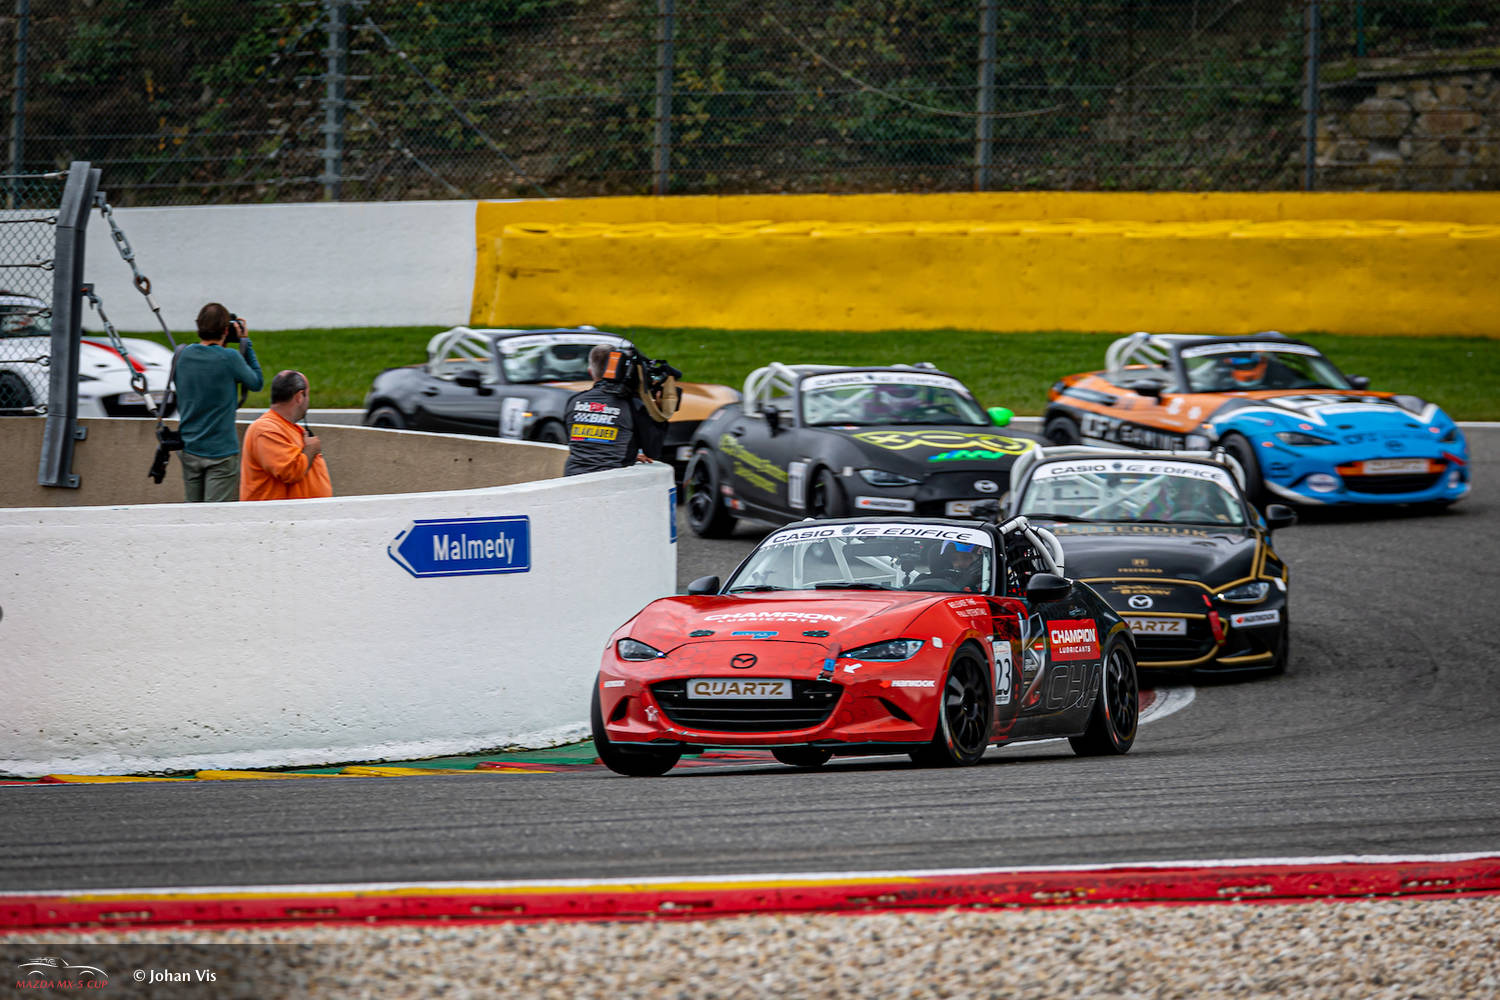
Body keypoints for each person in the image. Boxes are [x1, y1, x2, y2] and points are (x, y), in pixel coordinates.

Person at [174, 303, 264, 501]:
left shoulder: (183, 354)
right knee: (214, 514)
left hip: (190, 448)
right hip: (221, 453)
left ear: (198, 326)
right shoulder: (230, 358)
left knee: (192, 512)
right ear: (225, 330)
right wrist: (245, 342)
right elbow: (257, 383)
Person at [562, 344, 667, 476]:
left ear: (590, 372)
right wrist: (660, 412)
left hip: (571, 478)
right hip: (610, 481)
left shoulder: (574, 401)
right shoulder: (632, 405)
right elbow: (653, 451)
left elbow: (580, 444)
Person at [239, 370, 332, 501]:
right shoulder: (265, 430)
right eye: (308, 395)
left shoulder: (287, 428)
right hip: (275, 513)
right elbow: (290, 471)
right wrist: (311, 449)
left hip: (300, 512)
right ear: (299, 396)